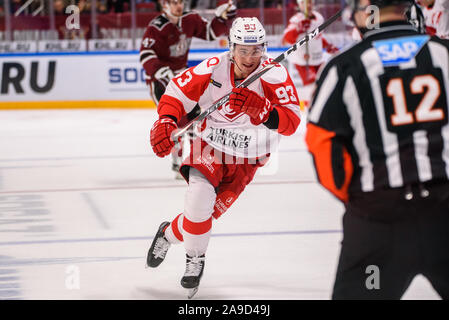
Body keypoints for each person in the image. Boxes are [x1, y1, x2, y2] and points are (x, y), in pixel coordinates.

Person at [146, 17, 301, 297]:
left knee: (202, 218)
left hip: (249, 157)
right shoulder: (214, 67)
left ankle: (167, 233)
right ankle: (195, 259)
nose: (250, 57)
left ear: (264, 48)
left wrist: (264, 110)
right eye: (243, 50)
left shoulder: (274, 75)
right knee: (198, 204)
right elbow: (176, 93)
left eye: (256, 50)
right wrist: (166, 120)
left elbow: (291, 123)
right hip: (210, 145)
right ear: (231, 48)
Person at [305, 0, 449, 299]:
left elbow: (322, 142)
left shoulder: (345, 67)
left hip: (378, 223)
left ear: (365, 10)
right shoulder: (444, 55)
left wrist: (360, 203)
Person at [140, 0, 236, 178]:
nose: (179, 6)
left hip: (182, 78)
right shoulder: (156, 27)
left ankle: (193, 160)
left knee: (195, 119)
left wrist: (222, 17)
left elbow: (210, 33)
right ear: (164, 5)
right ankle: (177, 162)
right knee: (174, 121)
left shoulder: (190, 20)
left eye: (181, 2)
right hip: (159, 81)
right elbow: (145, 54)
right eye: (174, 2)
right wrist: (160, 71)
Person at [282, 0, 339, 107]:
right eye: (306, 3)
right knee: (311, 87)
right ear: (300, 5)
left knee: (324, 83)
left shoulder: (319, 17)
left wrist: (328, 46)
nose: (309, 5)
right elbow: (286, 39)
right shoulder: (296, 20)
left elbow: (318, 38)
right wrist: (298, 29)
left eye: (310, 2)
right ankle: (312, 110)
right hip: (303, 61)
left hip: (317, 58)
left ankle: (322, 108)